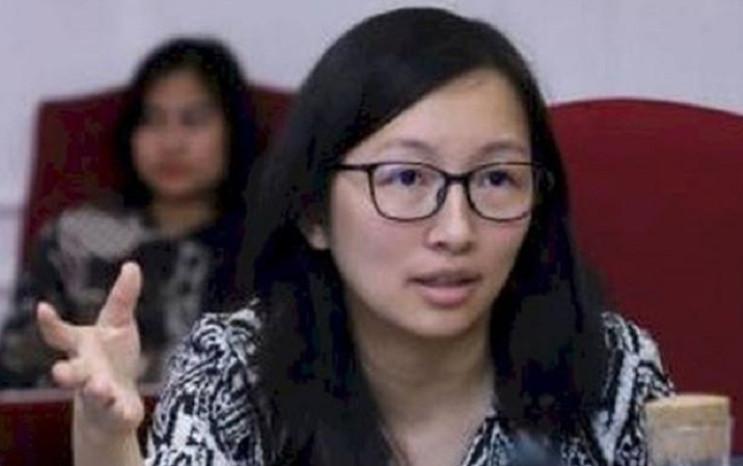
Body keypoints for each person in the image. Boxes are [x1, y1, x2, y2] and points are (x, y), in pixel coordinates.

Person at [35, 8, 673, 466]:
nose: (456, 230)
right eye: (406, 177)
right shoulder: (235, 372)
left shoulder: (611, 369)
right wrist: (105, 438)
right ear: (315, 212)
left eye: (498, 178)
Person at [0, 37, 257, 387]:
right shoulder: (73, 238)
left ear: (233, 131)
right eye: (152, 120)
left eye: (193, 120)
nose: (171, 143)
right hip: (89, 418)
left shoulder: (270, 242)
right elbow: (18, 381)